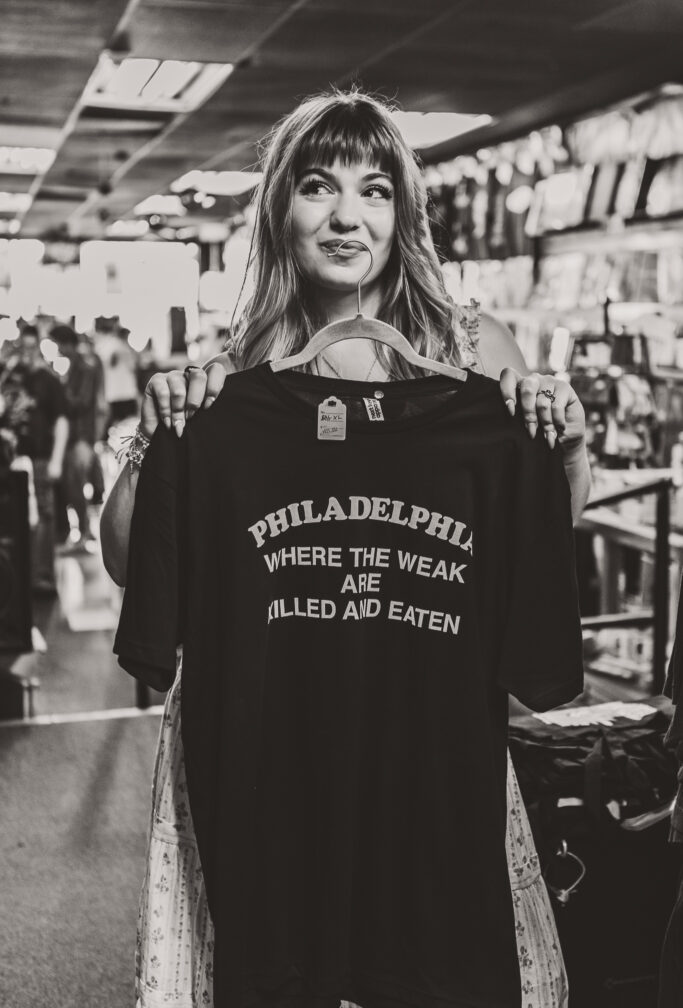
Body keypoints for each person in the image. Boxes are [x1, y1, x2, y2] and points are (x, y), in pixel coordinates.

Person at [102, 88, 590, 1008]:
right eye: (318, 186)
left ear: (402, 213)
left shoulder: (476, 351)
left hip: (423, 736)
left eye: (374, 190)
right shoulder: (233, 376)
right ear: (279, 207)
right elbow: (135, 567)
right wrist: (156, 438)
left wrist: (562, 441)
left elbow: (539, 544)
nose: (345, 215)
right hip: (269, 734)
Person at [0, 323, 69, 595]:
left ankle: (42, 578)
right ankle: (17, 578)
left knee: (44, 515)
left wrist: (56, 459)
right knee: (14, 518)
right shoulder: (10, 376)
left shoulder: (48, 380)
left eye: (32, 348)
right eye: (23, 347)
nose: (27, 353)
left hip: (40, 457)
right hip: (11, 461)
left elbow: (61, 420)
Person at [49, 323, 103, 548]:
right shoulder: (73, 368)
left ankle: (84, 531)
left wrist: (59, 392)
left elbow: (82, 402)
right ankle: (82, 531)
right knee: (73, 484)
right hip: (75, 435)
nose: (58, 349)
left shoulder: (85, 369)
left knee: (75, 484)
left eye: (59, 344)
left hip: (81, 435)